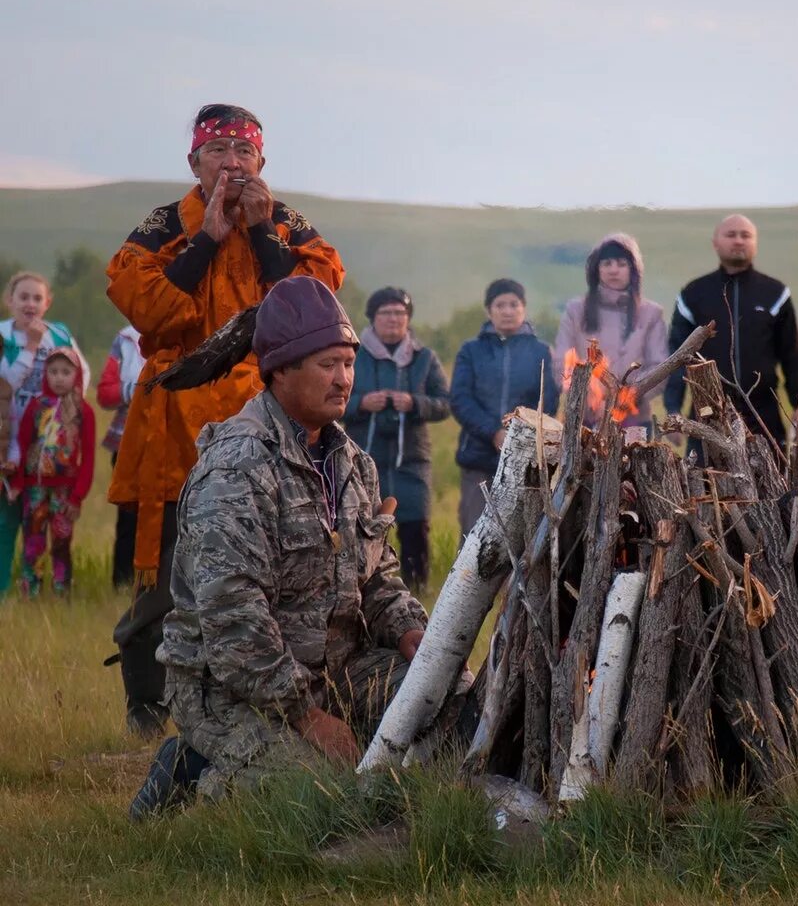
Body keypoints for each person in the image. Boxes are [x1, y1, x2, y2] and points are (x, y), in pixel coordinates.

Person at [142, 276, 428, 808]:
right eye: (327, 365)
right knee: (320, 798)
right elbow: (233, 620)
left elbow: (379, 580)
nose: (344, 379)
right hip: (233, 687)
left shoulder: (351, 464)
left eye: (348, 363)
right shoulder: (236, 468)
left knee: (449, 712)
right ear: (280, 371)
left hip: (336, 668)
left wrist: (413, 632)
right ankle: (192, 770)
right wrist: (308, 718)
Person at [105, 103, 345, 738]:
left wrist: (263, 235)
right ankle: (147, 707)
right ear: (194, 164)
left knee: (263, 566)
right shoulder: (162, 229)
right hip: (175, 424)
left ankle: (263, 700)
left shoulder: (287, 224)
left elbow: (315, 303)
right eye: (218, 154)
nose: (232, 165)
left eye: (244, 154)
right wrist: (207, 239)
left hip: (262, 420)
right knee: (164, 575)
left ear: (262, 164)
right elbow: (148, 312)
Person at [664, 215, 798, 450]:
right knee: (705, 485)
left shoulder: (775, 294)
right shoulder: (693, 294)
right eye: (731, 235)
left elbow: (792, 355)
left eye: (746, 235)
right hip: (707, 414)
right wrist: (672, 407)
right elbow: (677, 356)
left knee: (770, 485)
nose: (739, 241)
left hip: (763, 415)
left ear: (756, 242)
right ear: (715, 243)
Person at [342, 287, 450, 589]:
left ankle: (418, 589)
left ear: (408, 318)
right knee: (363, 525)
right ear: (373, 318)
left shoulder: (424, 358)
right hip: (363, 457)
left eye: (400, 313)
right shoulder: (353, 355)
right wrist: (361, 403)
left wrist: (415, 403)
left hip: (412, 459)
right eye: (386, 313)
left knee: (415, 524)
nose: (393, 319)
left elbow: (445, 402)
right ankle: (364, 587)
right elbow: (330, 398)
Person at [1, 272, 90, 595]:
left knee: (42, 526)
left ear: (47, 303)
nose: (30, 304)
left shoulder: (59, 335)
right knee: (8, 519)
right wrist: (32, 347)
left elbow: (81, 371)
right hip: (7, 436)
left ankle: (47, 589)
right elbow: (6, 385)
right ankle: (8, 587)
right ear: (9, 301)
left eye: (37, 298)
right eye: (23, 297)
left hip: (45, 444)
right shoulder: (3, 336)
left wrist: (69, 410)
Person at [451, 278, 560, 536]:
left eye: (514, 304)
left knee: (522, 536)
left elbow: (549, 402)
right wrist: (493, 432)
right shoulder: (471, 351)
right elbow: (460, 399)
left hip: (526, 462)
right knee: (474, 536)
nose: (508, 311)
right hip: (478, 458)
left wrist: (517, 434)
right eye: (500, 305)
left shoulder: (541, 352)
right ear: (489, 310)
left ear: (524, 308)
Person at [555, 234, 667, 430]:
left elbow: (660, 367)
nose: (613, 270)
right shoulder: (576, 311)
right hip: (582, 417)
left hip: (634, 417)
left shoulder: (651, 314)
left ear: (633, 270)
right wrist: (586, 393)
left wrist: (627, 396)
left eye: (621, 264)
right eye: (606, 263)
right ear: (596, 269)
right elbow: (561, 360)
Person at [9, 348, 94, 595]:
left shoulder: (82, 411)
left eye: (66, 372)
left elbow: (87, 458)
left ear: (76, 375)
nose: (59, 378)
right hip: (35, 490)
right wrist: (18, 483)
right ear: (45, 373)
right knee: (33, 543)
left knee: (61, 543)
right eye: (53, 371)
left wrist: (77, 497)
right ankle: (30, 592)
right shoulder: (36, 407)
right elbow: (24, 446)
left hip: (64, 491)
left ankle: (61, 593)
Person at [97, 324, 143, 589]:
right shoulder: (125, 339)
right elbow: (105, 393)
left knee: (171, 516)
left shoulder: (183, 328)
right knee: (128, 517)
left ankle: (161, 588)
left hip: (172, 441)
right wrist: (136, 389)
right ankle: (123, 584)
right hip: (126, 442)